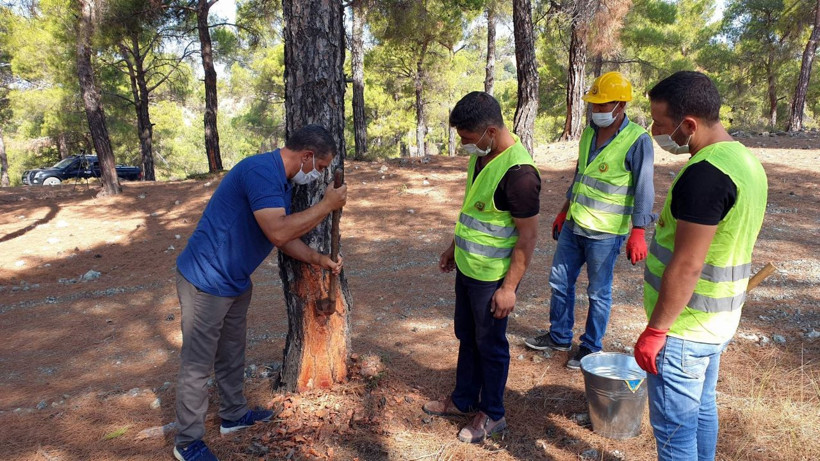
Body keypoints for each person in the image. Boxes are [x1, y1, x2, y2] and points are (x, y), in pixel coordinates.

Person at [172, 125, 347, 461]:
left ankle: (233, 416)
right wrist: (326, 205)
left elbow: (281, 233)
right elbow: (279, 231)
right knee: (197, 364)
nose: (320, 175)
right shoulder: (260, 172)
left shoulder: (279, 180)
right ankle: (187, 442)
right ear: (307, 156)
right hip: (205, 280)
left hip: (235, 280)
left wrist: (318, 259)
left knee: (231, 351)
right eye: (321, 167)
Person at [634, 71, 767, 461]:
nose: (656, 132)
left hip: (684, 331)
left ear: (688, 124)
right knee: (702, 410)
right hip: (718, 323)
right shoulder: (744, 160)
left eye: (660, 124)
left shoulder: (706, 175)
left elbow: (689, 264)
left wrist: (656, 331)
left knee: (675, 438)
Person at [423, 91, 540, 443]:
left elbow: (528, 238)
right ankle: (463, 398)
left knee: (490, 345)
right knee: (467, 337)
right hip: (468, 269)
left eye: (469, 139)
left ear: (490, 130)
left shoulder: (520, 175)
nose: (466, 146)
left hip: (493, 279)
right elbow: (476, 212)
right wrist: (452, 247)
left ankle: (492, 413)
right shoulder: (484, 157)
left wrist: (508, 288)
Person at [524, 71, 656, 369]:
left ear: (620, 105)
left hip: (606, 234)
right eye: (594, 105)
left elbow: (644, 187)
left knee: (598, 292)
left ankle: (590, 347)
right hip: (575, 225)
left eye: (602, 105)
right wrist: (563, 209)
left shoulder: (637, 140)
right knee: (560, 281)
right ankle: (559, 335)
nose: (597, 111)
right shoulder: (587, 133)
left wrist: (638, 230)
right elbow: (581, 176)